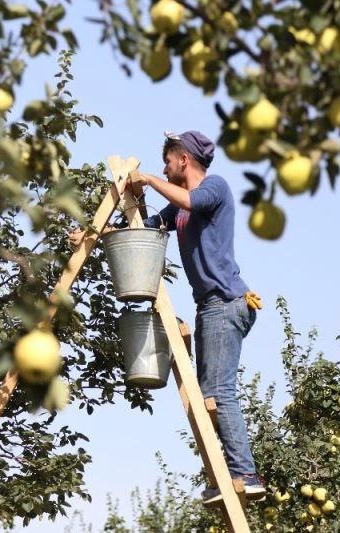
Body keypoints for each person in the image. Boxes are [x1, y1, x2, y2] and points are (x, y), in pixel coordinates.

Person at [69, 130, 265, 504]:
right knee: (208, 397)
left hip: (227, 302)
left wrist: (149, 181)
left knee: (220, 395)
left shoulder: (214, 188)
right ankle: (225, 477)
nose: (164, 167)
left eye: (168, 162)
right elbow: (142, 233)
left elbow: (188, 198)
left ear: (184, 160)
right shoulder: (179, 208)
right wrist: (93, 235)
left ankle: (246, 474)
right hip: (210, 306)